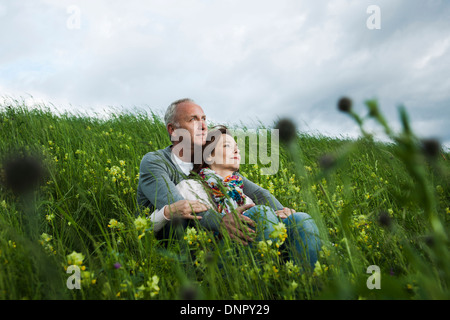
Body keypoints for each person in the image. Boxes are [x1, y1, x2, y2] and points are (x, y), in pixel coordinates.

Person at [150, 125, 322, 268]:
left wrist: (283, 215)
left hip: (249, 251)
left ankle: (305, 286)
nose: (236, 151)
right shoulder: (190, 187)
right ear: (209, 155)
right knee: (261, 214)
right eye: (227, 146)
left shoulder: (244, 197)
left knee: (301, 219)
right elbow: (158, 227)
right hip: (211, 260)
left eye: (236, 148)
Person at [137, 98, 282, 243]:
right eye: (193, 119)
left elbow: (257, 193)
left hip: (209, 236)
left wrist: (282, 211)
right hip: (171, 241)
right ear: (173, 130)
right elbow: (181, 206)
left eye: (204, 119)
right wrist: (221, 221)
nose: (203, 126)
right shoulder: (155, 162)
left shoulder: (209, 163)